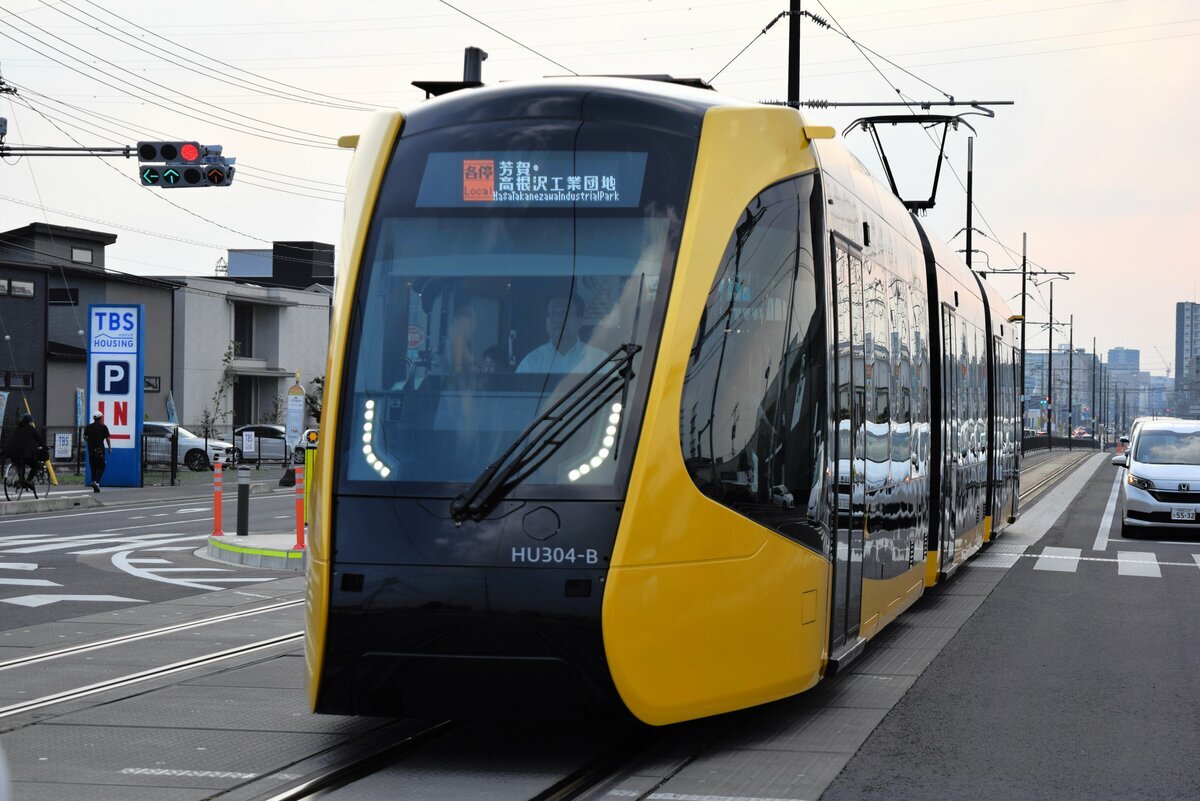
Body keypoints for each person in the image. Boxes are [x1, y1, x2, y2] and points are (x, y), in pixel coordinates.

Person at [516, 294, 606, 374]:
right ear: (546, 322)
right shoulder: (531, 362)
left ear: (580, 321)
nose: (559, 319)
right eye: (553, 313)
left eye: (566, 313)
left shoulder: (600, 360)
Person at [4, 414, 45, 491]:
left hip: (14, 454)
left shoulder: (17, 428)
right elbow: (39, 439)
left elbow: (12, 440)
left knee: (20, 466)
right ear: (30, 421)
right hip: (26, 454)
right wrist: (44, 447)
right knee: (36, 466)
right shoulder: (31, 428)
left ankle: (21, 481)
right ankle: (28, 481)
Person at [83, 412, 112, 492]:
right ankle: (96, 482)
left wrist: (89, 441)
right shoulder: (103, 427)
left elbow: (85, 436)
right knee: (102, 466)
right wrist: (109, 448)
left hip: (91, 450)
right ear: (100, 418)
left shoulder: (89, 427)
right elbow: (107, 439)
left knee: (93, 467)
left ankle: (94, 484)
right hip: (100, 450)